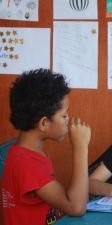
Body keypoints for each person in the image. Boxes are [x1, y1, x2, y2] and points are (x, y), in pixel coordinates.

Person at [2, 68, 91, 225]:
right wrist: (81, 148)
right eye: (64, 115)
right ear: (43, 123)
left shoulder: (26, 154)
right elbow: (76, 207)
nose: (68, 120)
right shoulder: (26, 164)